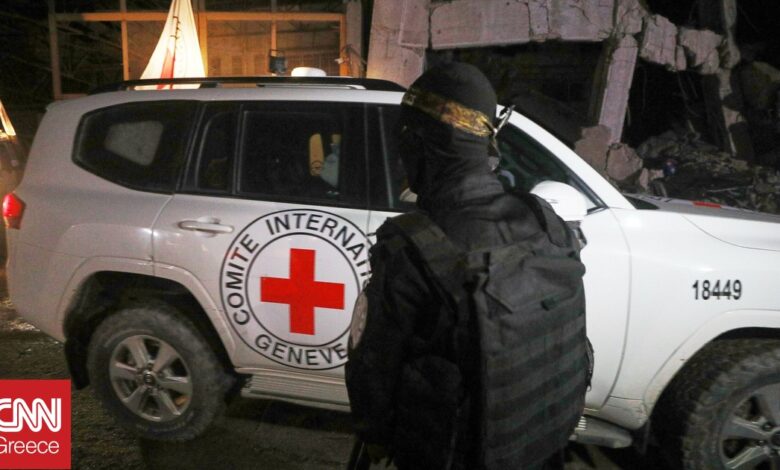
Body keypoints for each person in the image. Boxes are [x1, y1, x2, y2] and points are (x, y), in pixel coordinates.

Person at [345, 62, 589, 470]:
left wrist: (375, 435)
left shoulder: (411, 248)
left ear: (419, 143)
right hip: (542, 447)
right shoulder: (545, 220)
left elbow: (373, 372)